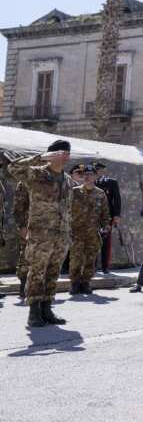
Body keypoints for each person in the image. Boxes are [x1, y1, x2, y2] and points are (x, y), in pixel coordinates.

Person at [6, 140, 75, 327]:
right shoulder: (38, 174)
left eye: (68, 152)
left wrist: (69, 233)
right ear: (51, 154)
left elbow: (68, 209)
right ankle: (34, 311)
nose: (66, 156)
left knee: (53, 272)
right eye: (62, 152)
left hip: (61, 234)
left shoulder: (68, 180)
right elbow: (13, 168)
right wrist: (40, 158)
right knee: (37, 271)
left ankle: (47, 308)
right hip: (41, 234)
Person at [69, 164, 111, 295]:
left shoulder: (100, 193)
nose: (87, 177)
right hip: (76, 232)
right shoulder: (75, 191)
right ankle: (75, 283)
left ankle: (86, 283)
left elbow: (105, 213)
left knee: (90, 259)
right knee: (76, 258)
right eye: (85, 175)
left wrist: (106, 225)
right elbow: (67, 210)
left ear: (95, 177)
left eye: (90, 175)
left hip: (93, 232)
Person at [94, 162, 121, 274]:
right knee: (93, 241)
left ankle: (105, 267)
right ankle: (92, 267)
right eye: (95, 171)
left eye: (98, 170)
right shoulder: (90, 182)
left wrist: (116, 215)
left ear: (103, 171)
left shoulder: (111, 182)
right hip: (92, 217)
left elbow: (117, 200)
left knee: (106, 241)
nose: (97, 173)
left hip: (106, 217)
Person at [13, 180, 30, 299]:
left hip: (47, 227)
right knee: (25, 256)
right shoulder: (24, 183)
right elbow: (18, 208)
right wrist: (22, 226)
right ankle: (24, 285)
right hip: (28, 226)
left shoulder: (50, 179)